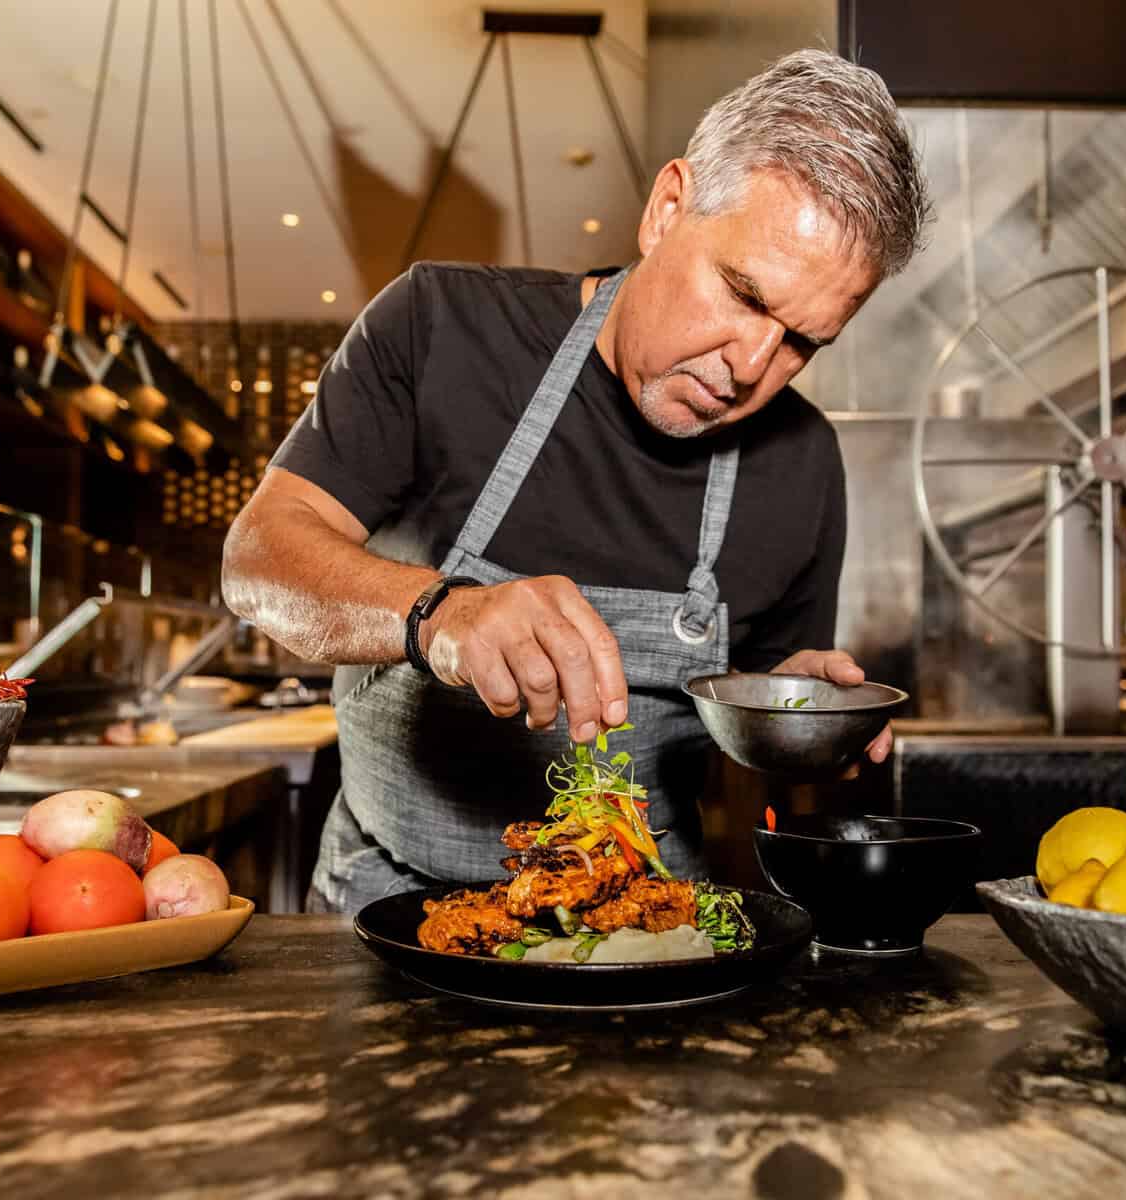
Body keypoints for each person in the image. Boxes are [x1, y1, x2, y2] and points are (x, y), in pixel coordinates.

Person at [223, 48, 931, 912]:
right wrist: (441, 613)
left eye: (802, 342)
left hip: (648, 930)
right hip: (387, 915)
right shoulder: (439, 326)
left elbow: (750, 756)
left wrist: (802, 722)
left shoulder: (802, 461)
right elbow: (257, 562)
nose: (751, 367)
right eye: (745, 296)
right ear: (668, 209)